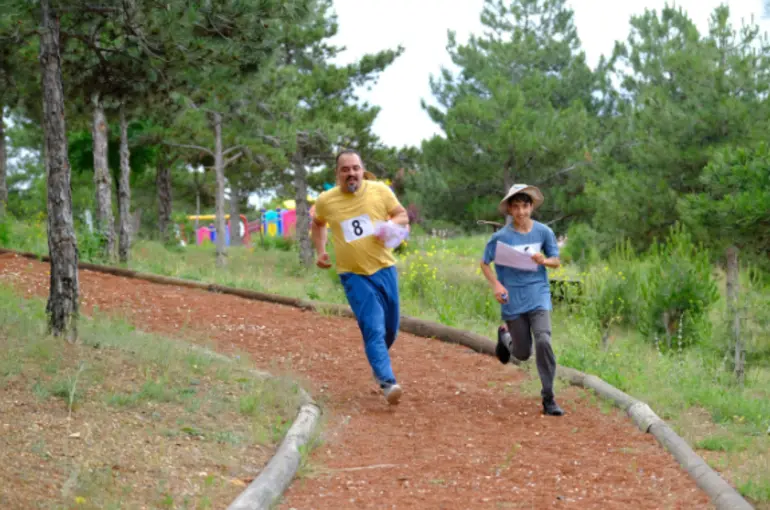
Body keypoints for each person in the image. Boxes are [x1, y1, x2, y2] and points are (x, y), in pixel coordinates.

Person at [311, 149, 410, 405]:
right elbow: (318, 223)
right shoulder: (327, 200)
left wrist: (390, 227)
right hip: (353, 276)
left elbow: (402, 215)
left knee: (390, 329)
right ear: (338, 174)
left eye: (355, 168)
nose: (351, 173)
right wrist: (321, 252)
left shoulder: (380, 191)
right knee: (373, 327)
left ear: (362, 169)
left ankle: (378, 364)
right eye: (345, 169)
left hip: (385, 269)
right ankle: (388, 382)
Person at [479, 184, 565, 416]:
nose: (520, 212)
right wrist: (496, 285)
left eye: (525, 206)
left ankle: (548, 397)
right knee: (523, 354)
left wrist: (543, 261)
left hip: (538, 293)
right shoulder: (500, 237)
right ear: (509, 210)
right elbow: (484, 263)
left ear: (531, 207)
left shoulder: (543, 232)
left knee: (544, 340)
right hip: (513, 298)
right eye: (515, 207)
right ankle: (505, 338)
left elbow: (556, 261)